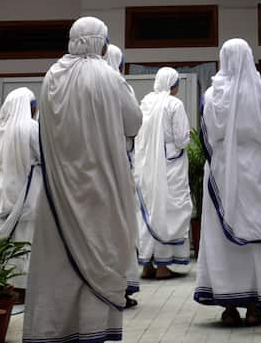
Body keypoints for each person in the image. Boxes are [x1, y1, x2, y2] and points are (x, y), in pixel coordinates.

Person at [23, 17, 142, 343]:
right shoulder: (109, 76)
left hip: (59, 189)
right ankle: (92, 330)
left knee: (59, 262)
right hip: (101, 186)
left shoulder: (52, 75)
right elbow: (134, 123)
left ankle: (55, 331)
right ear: (100, 41)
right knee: (102, 252)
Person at [193, 39, 261, 326]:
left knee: (222, 238)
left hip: (222, 170)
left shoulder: (211, 95)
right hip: (257, 170)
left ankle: (229, 306)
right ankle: (255, 306)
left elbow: (205, 135)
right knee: (259, 232)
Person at [134, 67, 193, 280]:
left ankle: (147, 265)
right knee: (168, 212)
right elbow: (182, 139)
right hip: (170, 167)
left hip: (145, 165)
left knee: (148, 210)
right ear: (172, 85)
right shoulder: (174, 104)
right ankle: (162, 265)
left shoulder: (145, 102)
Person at [0, 88, 41, 295]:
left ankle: (1, 283)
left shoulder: (1, 132)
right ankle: (22, 286)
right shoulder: (31, 128)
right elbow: (43, 155)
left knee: (3, 240)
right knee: (25, 240)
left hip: (3, 193)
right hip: (27, 193)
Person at [105, 43, 142, 306]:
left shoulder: (69, 82)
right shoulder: (118, 85)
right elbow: (134, 123)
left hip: (82, 169)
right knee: (119, 225)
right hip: (116, 166)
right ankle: (120, 287)